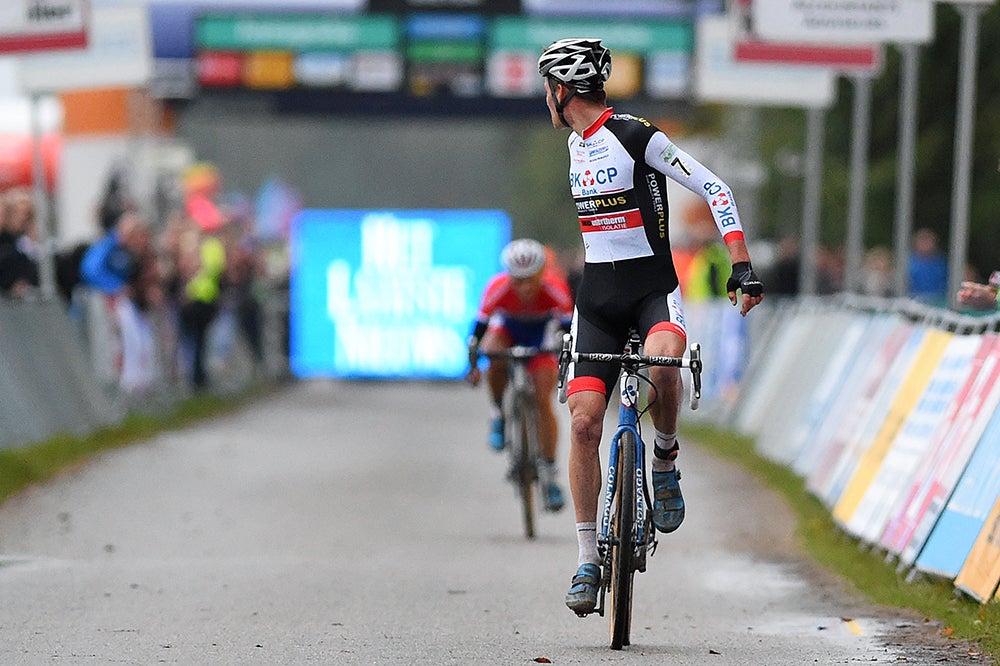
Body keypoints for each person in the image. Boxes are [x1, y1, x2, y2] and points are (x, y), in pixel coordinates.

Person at [536, 38, 765, 614]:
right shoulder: (573, 145)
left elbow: (715, 187)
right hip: (597, 303)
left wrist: (741, 265)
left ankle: (663, 459)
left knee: (665, 366)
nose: (547, 98)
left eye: (548, 88)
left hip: (651, 294)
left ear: (562, 90)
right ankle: (588, 558)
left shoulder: (636, 135)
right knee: (585, 422)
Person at [466, 238, 575, 512]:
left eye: (531, 279)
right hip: (509, 332)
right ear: (509, 275)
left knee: (542, 400)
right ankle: (498, 412)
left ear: (541, 273)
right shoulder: (497, 288)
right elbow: (478, 332)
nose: (525, 287)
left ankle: (550, 477)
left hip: (540, 338)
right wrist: (473, 365)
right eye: (518, 280)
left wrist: (564, 360)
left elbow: (568, 332)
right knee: (492, 350)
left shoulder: (556, 288)